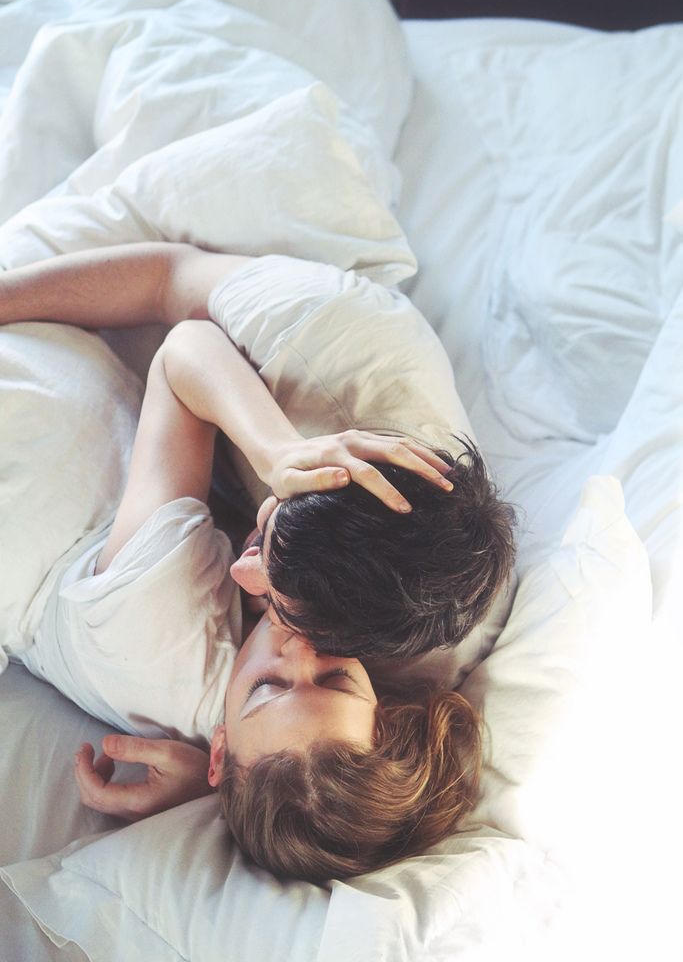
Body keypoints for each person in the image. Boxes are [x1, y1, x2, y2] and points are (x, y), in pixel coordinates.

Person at [0, 242, 515, 881]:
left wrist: (273, 451)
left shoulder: (156, 640)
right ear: (381, 705)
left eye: (270, 685)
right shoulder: (402, 639)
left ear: (220, 751)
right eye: (335, 676)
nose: (298, 650)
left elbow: (187, 349)